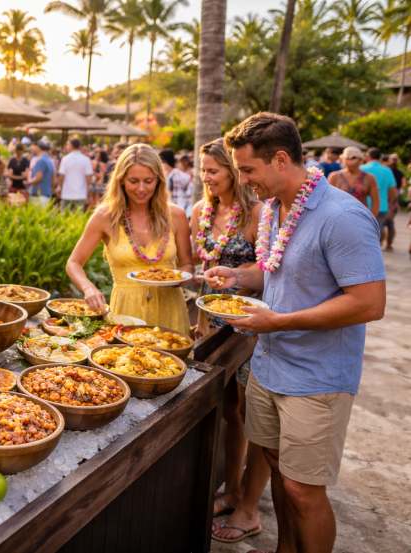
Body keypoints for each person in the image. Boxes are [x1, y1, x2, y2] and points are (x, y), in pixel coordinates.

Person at [205, 112, 386, 553]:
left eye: (248, 169)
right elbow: (280, 276)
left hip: (317, 379)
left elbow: (369, 303)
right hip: (270, 367)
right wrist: (238, 277)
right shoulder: (273, 210)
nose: (243, 181)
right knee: (279, 472)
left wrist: (278, 323)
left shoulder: (343, 216)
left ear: (281, 159)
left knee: (305, 490)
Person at [189, 138, 269, 544]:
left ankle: (243, 495)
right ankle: (226, 481)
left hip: (248, 324)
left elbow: (266, 267)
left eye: (214, 170)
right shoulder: (200, 211)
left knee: (246, 410)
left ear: (234, 172)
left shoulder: (257, 213)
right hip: (209, 321)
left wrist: (237, 278)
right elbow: (194, 263)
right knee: (222, 406)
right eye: (203, 170)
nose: (207, 177)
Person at [66, 144, 193, 333]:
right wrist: (88, 288)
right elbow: (73, 263)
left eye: (148, 181)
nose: (141, 188)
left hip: (170, 309)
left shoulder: (176, 215)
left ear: (159, 181)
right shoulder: (105, 216)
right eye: (133, 181)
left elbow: (187, 265)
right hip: (126, 312)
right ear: (121, 180)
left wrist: (179, 278)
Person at [361, 147, 397, 249]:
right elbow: (393, 191)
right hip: (382, 206)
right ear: (380, 158)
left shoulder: (361, 169)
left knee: (362, 232)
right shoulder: (387, 171)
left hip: (362, 206)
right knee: (377, 232)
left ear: (368, 156)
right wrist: (391, 204)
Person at [327, 147, 379, 217]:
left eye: (353, 157)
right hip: (339, 218)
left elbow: (375, 202)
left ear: (360, 159)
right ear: (343, 159)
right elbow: (327, 200)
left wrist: (372, 219)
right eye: (347, 157)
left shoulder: (369, 178)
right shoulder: (334, 176)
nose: (349, 160)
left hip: (362, 217)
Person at [57, 138, 93, 210]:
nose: (66, 146)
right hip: (81, 194)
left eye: (67, 145)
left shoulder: (65, 159)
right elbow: (89, 178)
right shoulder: (86, 159)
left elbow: (61, 176)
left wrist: (60, 187)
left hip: (66, 193)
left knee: (64, 218)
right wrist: (88, 191)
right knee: (78, 218)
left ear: (71, 146)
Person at [160, 148, 193, 216]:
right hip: (166, 212)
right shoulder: (161, 177)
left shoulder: (182, 177)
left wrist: (188, 214)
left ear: (165, 162)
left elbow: (190, 197)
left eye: (161, 162)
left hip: (181, 211)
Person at [385, 153, 405, 250]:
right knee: (390, 223)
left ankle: (387, 243)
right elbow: (403, 185)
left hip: (388, 199)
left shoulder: (386, 171)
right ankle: (389, 244)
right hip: (393, 199)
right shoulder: (400, 172)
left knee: (387, 223)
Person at [27, 141, 55, 206]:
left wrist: (29, 181)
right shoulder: (50, 160)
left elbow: (38, 178)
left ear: (38, 148)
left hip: (39, 195)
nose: (32, 149)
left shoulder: (41, 161)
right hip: (46, 194)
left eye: (33, 147)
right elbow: (53, 180)